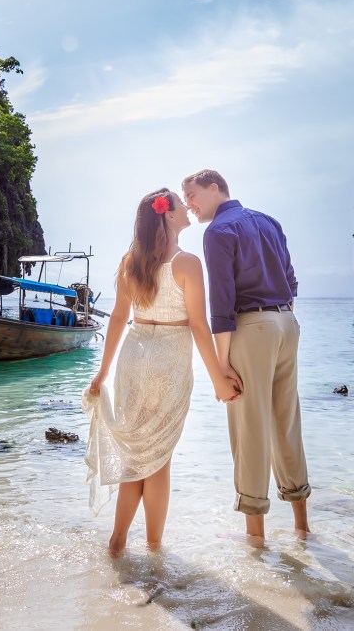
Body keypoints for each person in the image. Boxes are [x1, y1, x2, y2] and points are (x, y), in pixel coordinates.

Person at [84, 187, 241, 557]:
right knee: (158, 459)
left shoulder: (131, 261)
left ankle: (118, 541)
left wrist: (101, 374)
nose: (187, 208)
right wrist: (220, 377)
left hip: (133, 358)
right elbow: (200, 327)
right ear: (167, 215)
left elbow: (119, 319)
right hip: (169, 359)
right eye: (179, 203)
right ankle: (155, 549)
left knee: (136, 456)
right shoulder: (187, 263)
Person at [181, 169, 310, 545]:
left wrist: (221, 367)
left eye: (191, 194)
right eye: (184, 198)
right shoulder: (270, 221)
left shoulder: (218, 232)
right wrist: (278, 316)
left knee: (249, 429)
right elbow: (291, 278)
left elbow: (222, 303)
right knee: (286, 422)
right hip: (287, 323)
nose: (189, 203)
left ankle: (255, 537)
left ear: (215, 187)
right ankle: (302, 527)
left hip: (252, 329)